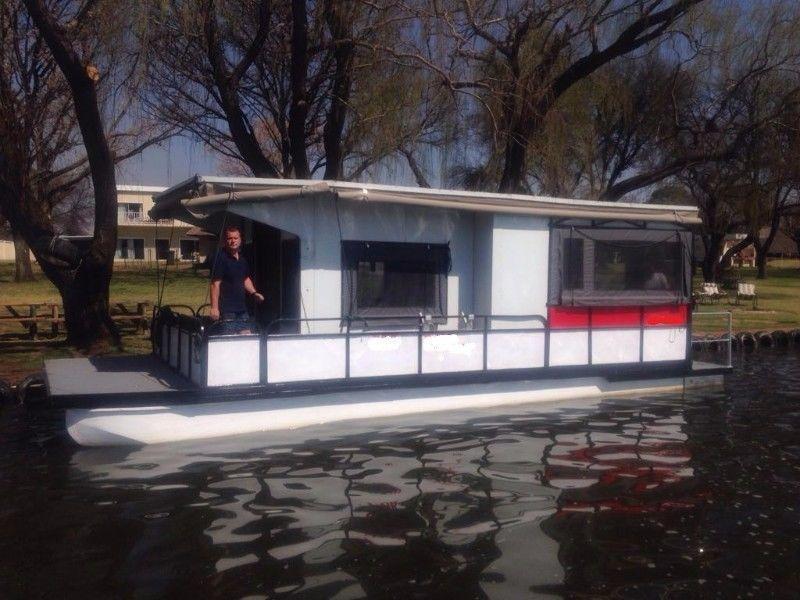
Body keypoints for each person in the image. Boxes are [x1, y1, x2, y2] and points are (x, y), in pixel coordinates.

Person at [209, 226, 264, 334]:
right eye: (230, 238)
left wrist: (254, 293)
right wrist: (214, 308)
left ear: (240, 239)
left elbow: (245, 279)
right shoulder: (220, 258)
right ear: (225, 240)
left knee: (246, 339)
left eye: (235, 238)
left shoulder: (242, 260)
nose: (233, 241)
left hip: (242, 310)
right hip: (227, 311)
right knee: (229, 342)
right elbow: (215, 284)